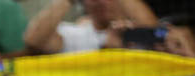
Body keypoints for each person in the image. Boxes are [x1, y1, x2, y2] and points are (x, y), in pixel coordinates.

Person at [23, 0, 158, 54]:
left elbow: (154, 30)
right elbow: (34, 41)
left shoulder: (136, 30)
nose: (101, 2)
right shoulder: (74, 34)